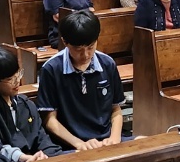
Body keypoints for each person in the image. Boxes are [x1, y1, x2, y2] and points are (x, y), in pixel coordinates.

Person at [37, 11, 124, 150]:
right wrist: (80, 144)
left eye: (91, 47)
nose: (86, 55)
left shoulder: (108, 64)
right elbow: (49, 119)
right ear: (65, 42)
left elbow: (116, 109)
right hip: (70, 146)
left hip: (105, 140)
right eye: (78, 49)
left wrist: (114, 138)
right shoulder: (51, 69)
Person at [0, 46, 58, 162]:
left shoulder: (25, 103)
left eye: (18, 74)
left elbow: (42, 139)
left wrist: (46, 156)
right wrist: (24, 159)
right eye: (10, 79)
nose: (17, 81)